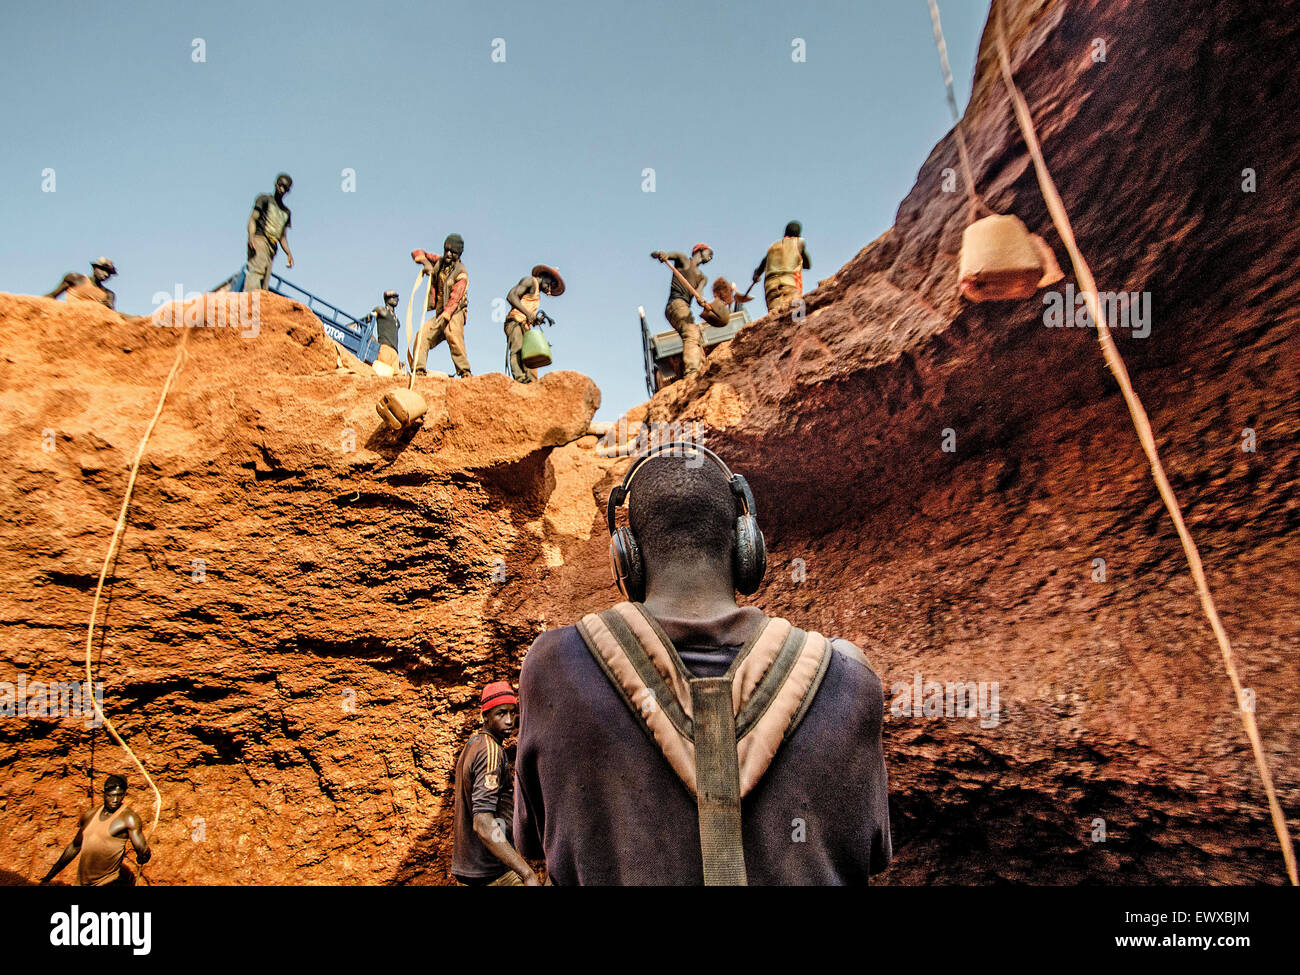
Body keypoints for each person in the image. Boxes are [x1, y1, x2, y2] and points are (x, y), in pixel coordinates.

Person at [513, 444, 891, 885]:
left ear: (627, 558)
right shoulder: (848, 677)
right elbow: (874, 853)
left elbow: (531, 840)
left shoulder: (552, 667)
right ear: (747, 550)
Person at [451, 683, 540, 886]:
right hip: (491, 874)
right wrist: (527, 874)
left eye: (512, 712)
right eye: (501, 713)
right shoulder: (490, 752)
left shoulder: (473, 745)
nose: (509, 720)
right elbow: (483, 822)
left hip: (470, 872)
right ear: (485, 716)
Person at [40, 774, 151, 886]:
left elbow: (142, 851)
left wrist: (143, 855)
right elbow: (74, 846)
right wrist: (49, 877)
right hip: (82, 883)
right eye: (111, 796)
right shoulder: (89, 815)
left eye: (120, 795)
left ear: (124, 794)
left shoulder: (128, 818)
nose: (115, 800)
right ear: (103, 794)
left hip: (108, 882)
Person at [411, 234, 471, 377]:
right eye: (446, 250)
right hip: (440, 313)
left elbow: (455, 298)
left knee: (453, 335)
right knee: (423, 335)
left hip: (455, 313)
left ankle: (465, 372)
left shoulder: (461, 273)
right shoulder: (439, 262)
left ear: (459, 254)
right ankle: (418, 370)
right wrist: (426, 263)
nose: (448, 254)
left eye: (453, 252)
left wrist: (446, 315)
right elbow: (417, 252)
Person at [650, 244, 713, 378]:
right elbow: (665, 254)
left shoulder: (702, 278)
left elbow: (698, 295)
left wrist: (702, 301)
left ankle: (700, 369)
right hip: (676, 304)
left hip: (684, 308)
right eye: (709, 251)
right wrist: (662, 255)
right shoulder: (683, 259)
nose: (711, 256)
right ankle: (692, 373)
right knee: (691, 334)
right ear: (699, 250)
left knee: (695, 337)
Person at [504, 265, 564, 383]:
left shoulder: (536, 293)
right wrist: (528, 314)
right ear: (544, 276)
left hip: (525, 325)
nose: (549, 289)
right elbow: (511, 296)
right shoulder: (530, 281)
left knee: (529, 354)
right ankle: (520, 378)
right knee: (518, 349)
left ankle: (531, 382)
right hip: (515, 321)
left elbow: (527, 308)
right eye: (550, 284)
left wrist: (535, 319)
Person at [243, 173, 294, 292]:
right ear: (276, 184)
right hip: (260, 239)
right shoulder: (265, 199)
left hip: (272, 246)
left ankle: (259, 306)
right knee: (256, 272)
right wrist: (251, 237)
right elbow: (253, 219)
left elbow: (282, 236)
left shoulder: (286, 212)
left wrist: (288, 253)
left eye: (285, 188)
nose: (282, 189)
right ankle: (249, 301)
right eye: (281, 185)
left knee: (264, 283)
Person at [751, 221, 811, 316]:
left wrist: (756, 274)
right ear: (798, 235)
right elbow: (808, 265)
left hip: (771, 288)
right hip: (789, 285)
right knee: (797, 317)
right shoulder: (797, 243)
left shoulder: (773, 247)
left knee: (776, 318)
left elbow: (761, 266)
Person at [45, 257, 117, 309]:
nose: (106, 274)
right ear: (95, 268)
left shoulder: (109, 294)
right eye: (103, 270)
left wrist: (108, 306)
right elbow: (52, 296)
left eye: (109, 273)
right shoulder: (76, 278)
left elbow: (110, 313)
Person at [359, 289, 403, 374]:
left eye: (396, 297)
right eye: (393, 297)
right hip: (384, 349)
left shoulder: (397, 320)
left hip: (395, 353)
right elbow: (364, 322)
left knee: (393, 380)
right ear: (387, 299)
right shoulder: (381, 310)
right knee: (382, 375)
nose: (396, 299)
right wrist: (371, 337)